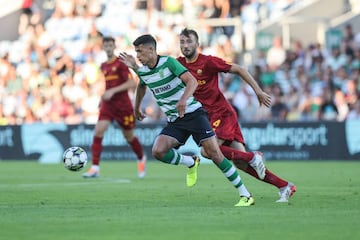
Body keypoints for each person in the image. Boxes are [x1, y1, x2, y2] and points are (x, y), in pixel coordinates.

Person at [119, 34, 256, 206]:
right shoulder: (143, 71)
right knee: (158, 151)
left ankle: (245, 194)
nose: (137, 56)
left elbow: (192, 81)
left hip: (193, 113)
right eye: (136, 52)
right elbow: (142, 85)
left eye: (139, 52)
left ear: (151, 50)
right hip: (176, 120)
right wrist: (136, 107)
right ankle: (191, 161)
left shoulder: (169, 63)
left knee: (215, 154)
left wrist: (183, 99)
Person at [177, 28, 296, 203]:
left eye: (189, 41)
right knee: (240, 163)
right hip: (207, 117)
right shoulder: (178, 64)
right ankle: (284, 186)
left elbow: (240, 69)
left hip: (222, 113)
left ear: (197, 44)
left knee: (208, 151)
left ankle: (253, 156)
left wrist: (258, 92)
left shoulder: (208, 62)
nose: (185, 45)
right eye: (182, 42)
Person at [83, 36, 147, 179]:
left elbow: (131, 84)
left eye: (110, 45)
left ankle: (141, 158)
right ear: (103, 47)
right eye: (105, 45)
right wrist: (102, 97)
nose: (108, 48)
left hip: (123, 106)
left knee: (129, 136)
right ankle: (95, 168)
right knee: (98, 131)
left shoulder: (120, 64)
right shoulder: (103, 65)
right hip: (108, 105)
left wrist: (112, 91)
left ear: (114, 46)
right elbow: (107, 85)